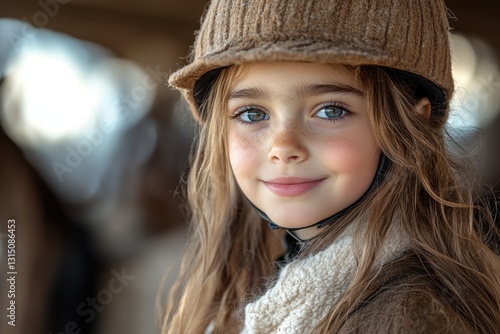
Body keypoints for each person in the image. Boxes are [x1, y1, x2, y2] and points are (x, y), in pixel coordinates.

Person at [162, 0, 500, 333]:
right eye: (252, 114)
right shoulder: (253, 295)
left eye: (330, 111)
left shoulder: (414, 319)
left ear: (414, 124)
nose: (283, 148)